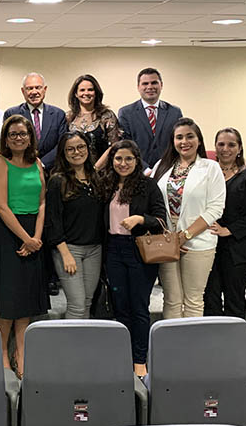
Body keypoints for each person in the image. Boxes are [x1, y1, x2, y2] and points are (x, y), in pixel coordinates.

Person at [0, 114, 49, 378]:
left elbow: (43, 201)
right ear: (6, 138)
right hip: (9, 233)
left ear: (30, 136)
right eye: (13, 134)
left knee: (25, 298)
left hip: (33, 234)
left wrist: (36, 237)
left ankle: (21, 351)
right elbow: (1, 206)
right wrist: (25, 238)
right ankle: (0, 352)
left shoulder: (38, 162)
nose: (18, 138)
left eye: (23, 133)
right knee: (8, 298)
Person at [100, 140, 167, 378]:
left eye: (129, 158)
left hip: (138, 250)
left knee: (139, 307)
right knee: (120, 307)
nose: (123, 163)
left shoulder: (147, 186)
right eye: (118, 158)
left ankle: (140, 360)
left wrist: (140, 218)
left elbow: (161, 220)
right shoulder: (106, 184)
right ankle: (123, 355)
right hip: (113, 251)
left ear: (137, 161)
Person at [151, 118, 225, 319]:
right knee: (172, 299)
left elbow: (215, 208)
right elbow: (152, 202)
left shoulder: (211, 168)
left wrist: (184, 236)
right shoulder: (161, 166)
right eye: (179, 137)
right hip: (166, 242)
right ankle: (171, 347)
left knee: (193, 300)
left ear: (199, 140)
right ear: (173, 141)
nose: (185, 141)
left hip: (198, 242)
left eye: (190, 136)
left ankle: (191, 349)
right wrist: (170, 237)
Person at [203, 128, 246, 318]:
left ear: (239, 148)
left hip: (239, 249)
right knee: (210, 297)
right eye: (221, 144)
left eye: (231, 144)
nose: (225, 149)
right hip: (208, 246)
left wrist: (229, 230)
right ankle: (213, 344)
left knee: (234, 298)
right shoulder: (206, 174)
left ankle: (235, 345)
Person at [44, 131, 104, 319]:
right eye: (70, 149)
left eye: (81, 147)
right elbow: (52, 221)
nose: (76, 152)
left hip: (94, 249)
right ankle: (69, 348)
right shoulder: (57, 181)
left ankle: (83, 347)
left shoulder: (96, 178)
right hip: (69, 250)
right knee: (77, 305)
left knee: (87, 302)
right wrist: (65, 254)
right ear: (63, 153)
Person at [118, 68, 183, 168]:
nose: (150, 87)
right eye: (145, 84)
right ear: (138, 87)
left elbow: (179, 143)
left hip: (169, 171)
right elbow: (126, 146)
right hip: (137, 172)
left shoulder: (174, 112)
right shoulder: (126, 113)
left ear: (161, 85)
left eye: (154, 83)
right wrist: (145, 169)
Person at [4, 72, 67, 170]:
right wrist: (27, 164)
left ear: (45, 89)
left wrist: (42, 164)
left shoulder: (58, 114)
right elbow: (8, 143)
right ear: (23, 91)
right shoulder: (12, 114)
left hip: (52, 171)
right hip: (21, 170)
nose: (34, 92)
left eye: (38, 87)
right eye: (29, 88)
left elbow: (62, 144)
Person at [66, 74, 120, 168]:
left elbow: (114, 146)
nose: (86, 93)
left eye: (90, 90)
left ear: (96, 93)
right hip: (74, 173)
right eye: (82, 90)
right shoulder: (68, 117)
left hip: (102, 173)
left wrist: (96, 169)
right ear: (76, 94)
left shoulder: (107, 116)